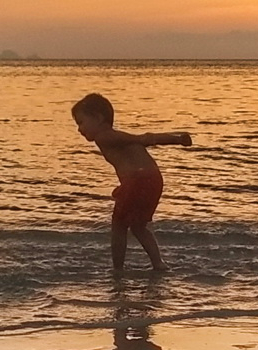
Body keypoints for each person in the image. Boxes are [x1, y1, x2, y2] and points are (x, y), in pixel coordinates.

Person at [71, 93, 191, 276]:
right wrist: (176, 139)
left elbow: (144, 138)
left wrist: (174, 139)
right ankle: (158, 263)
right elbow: (145, 139)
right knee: (138, 226)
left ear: (98, 117)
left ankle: (118, 269)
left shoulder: (104, 137)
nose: (79, 129)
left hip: (137, 180)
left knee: (118, 225)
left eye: (81, 122)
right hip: (153, 179)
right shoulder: (112, 137)